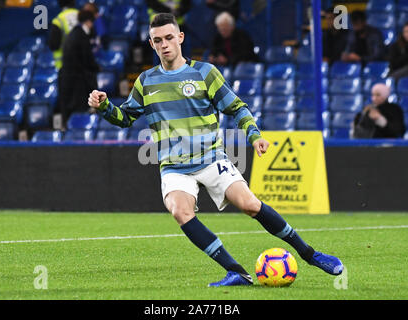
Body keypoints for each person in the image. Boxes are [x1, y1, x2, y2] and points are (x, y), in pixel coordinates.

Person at [88, 13, 343, 286]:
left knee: (250, 205)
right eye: (158, 40)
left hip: (211, 159)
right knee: (179, 211)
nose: (164, 45)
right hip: (173, 166)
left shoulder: (205, 73)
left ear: (180, 38)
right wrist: (103, 106)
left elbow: (237, 107)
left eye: (169, 38)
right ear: (151, 44)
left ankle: (309, 254)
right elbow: (125, 118)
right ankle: (237, 272)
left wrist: (254, 136)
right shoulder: (145, 81)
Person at [59, 9, 99, 127]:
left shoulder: (73, 34)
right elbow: (87, 60)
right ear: (88, 22)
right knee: (78, 115)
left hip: (67, 79)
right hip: (76, 81)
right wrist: (96, 68)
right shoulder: (81, 36)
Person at [48, 0, 78, 71]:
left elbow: (54, 45)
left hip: (64, 67)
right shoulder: (82, 16)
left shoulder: (58, 20)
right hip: (81, 66)